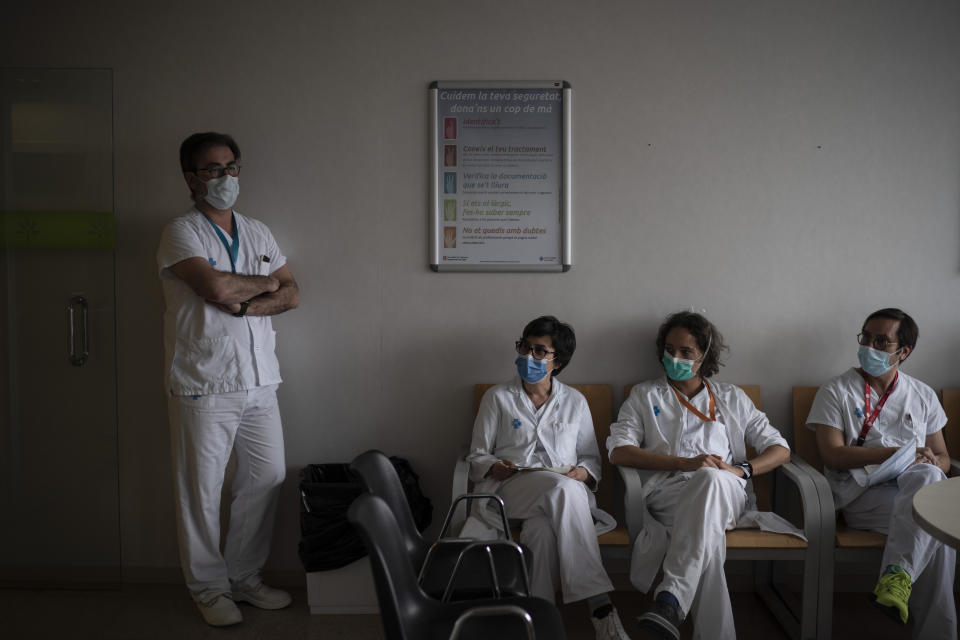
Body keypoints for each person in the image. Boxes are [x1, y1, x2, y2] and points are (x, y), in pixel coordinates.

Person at [157, 132, 300, 627]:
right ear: (191, 177)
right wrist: (264, 287)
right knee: (200, 489)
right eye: (213, 169)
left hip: (261, 381)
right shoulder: (181, 232)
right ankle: (208, 588)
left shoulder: (258, 232)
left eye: (231, 166)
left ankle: (243, 576)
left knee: (267, 476)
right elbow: (213, 285)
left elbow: (294, 293)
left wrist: (243, 298)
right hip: (204, 382)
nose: (225, 177)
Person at [608, 311, 791, 640]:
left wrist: (740, 469)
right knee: (707, 541)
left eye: (685, 352)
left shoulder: (732, 398)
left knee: (712, 479)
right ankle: (671, 603)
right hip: (668, 496)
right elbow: (619, 450)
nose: (674, 358)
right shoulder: (645, 395)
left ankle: (672, 596)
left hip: (727, 493)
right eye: (669, 349)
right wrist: (682, 463)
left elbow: (780, 448)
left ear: (705, 356)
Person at [465, 316, 632, 640]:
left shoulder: (575, 402)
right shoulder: (497, 398)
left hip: (558, 495)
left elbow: (590, 458)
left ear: (558, 361)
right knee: (564, 489)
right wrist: (494, 466)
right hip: (510, 489)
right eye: (525, 347)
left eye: (540, 351)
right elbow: (475, 457)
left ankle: (538, 625)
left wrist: (584, 471)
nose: (529, 356)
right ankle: (600, 606)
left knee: (540, 530)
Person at [806, 308, 956, 639]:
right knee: (937, 529)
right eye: (866, 337)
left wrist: (931, 461)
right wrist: (899, 453)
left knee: (929, 485)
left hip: (913, 490)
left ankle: (896, 578)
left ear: (904, 352)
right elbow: (832, 455)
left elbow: (944, 457)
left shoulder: (922, 394)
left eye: (881, 341)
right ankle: (938, 632)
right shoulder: (836, 390)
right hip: (860, 493)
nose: (869, 346)